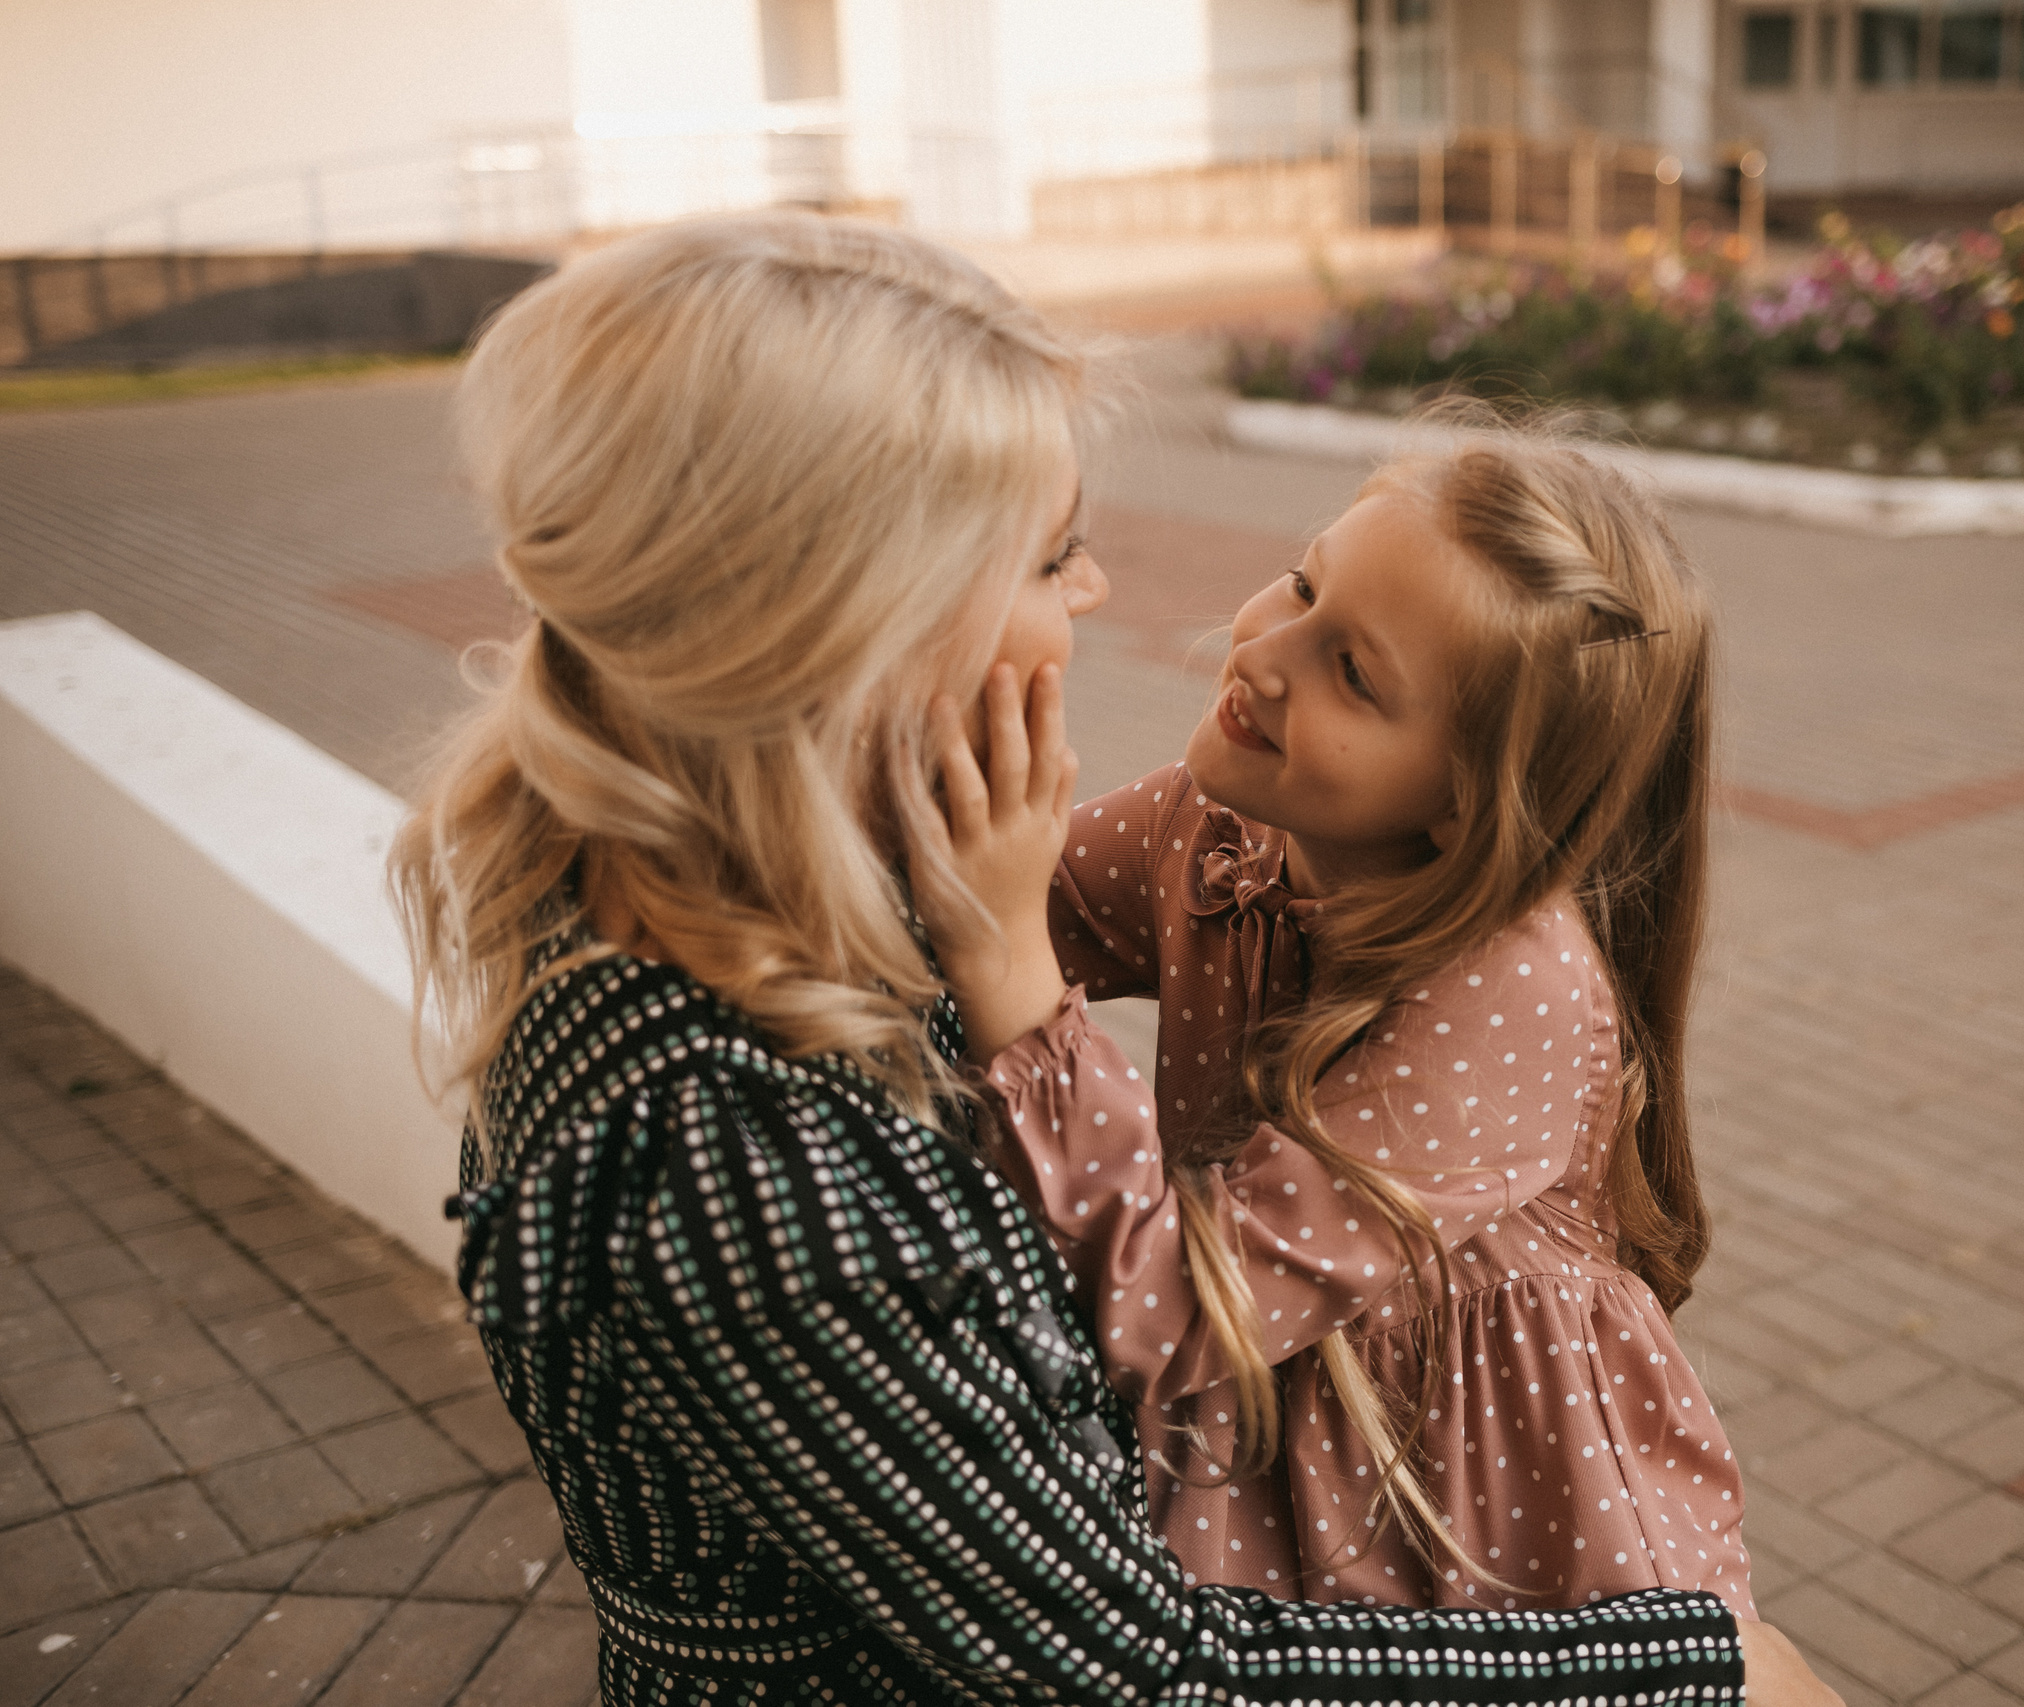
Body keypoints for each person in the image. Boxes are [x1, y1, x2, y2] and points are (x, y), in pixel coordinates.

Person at [390, 213, 1839, 1705]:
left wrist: (985, 919)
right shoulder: (734, 1155)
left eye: (1354, 663)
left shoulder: (747, 918)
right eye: (1052, 554)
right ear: (857, 628)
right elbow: (1134, 1668)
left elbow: (994, 984)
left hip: (1465, 1505)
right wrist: (1706, 1674)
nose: (1095, 598)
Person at [920, 431, 1753, 1615]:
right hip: (1276, 1427)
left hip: (1484, 1505)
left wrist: (1002, 957)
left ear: (1471, 799)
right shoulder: (1212, 827)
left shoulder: (1511, 987)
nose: (1264, 652)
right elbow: (959, 912)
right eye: (1307, 584)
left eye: (1352, 672)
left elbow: (1171, 1306)